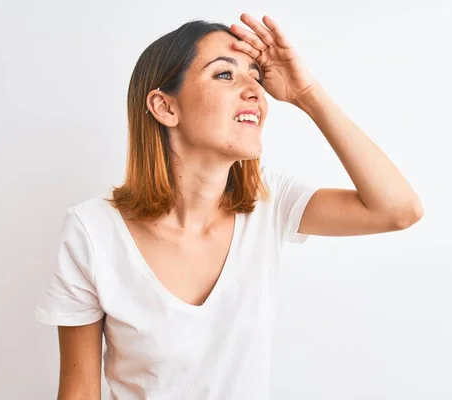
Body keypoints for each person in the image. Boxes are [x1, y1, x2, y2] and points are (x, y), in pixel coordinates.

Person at [34, 13, 423, 400]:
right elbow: (80, 390)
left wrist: (307, 96)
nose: (255, 90)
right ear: (165, 107)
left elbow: (398, 210)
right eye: (225, 74)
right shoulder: (92, 231)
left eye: (255, 76)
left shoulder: (269, 203)